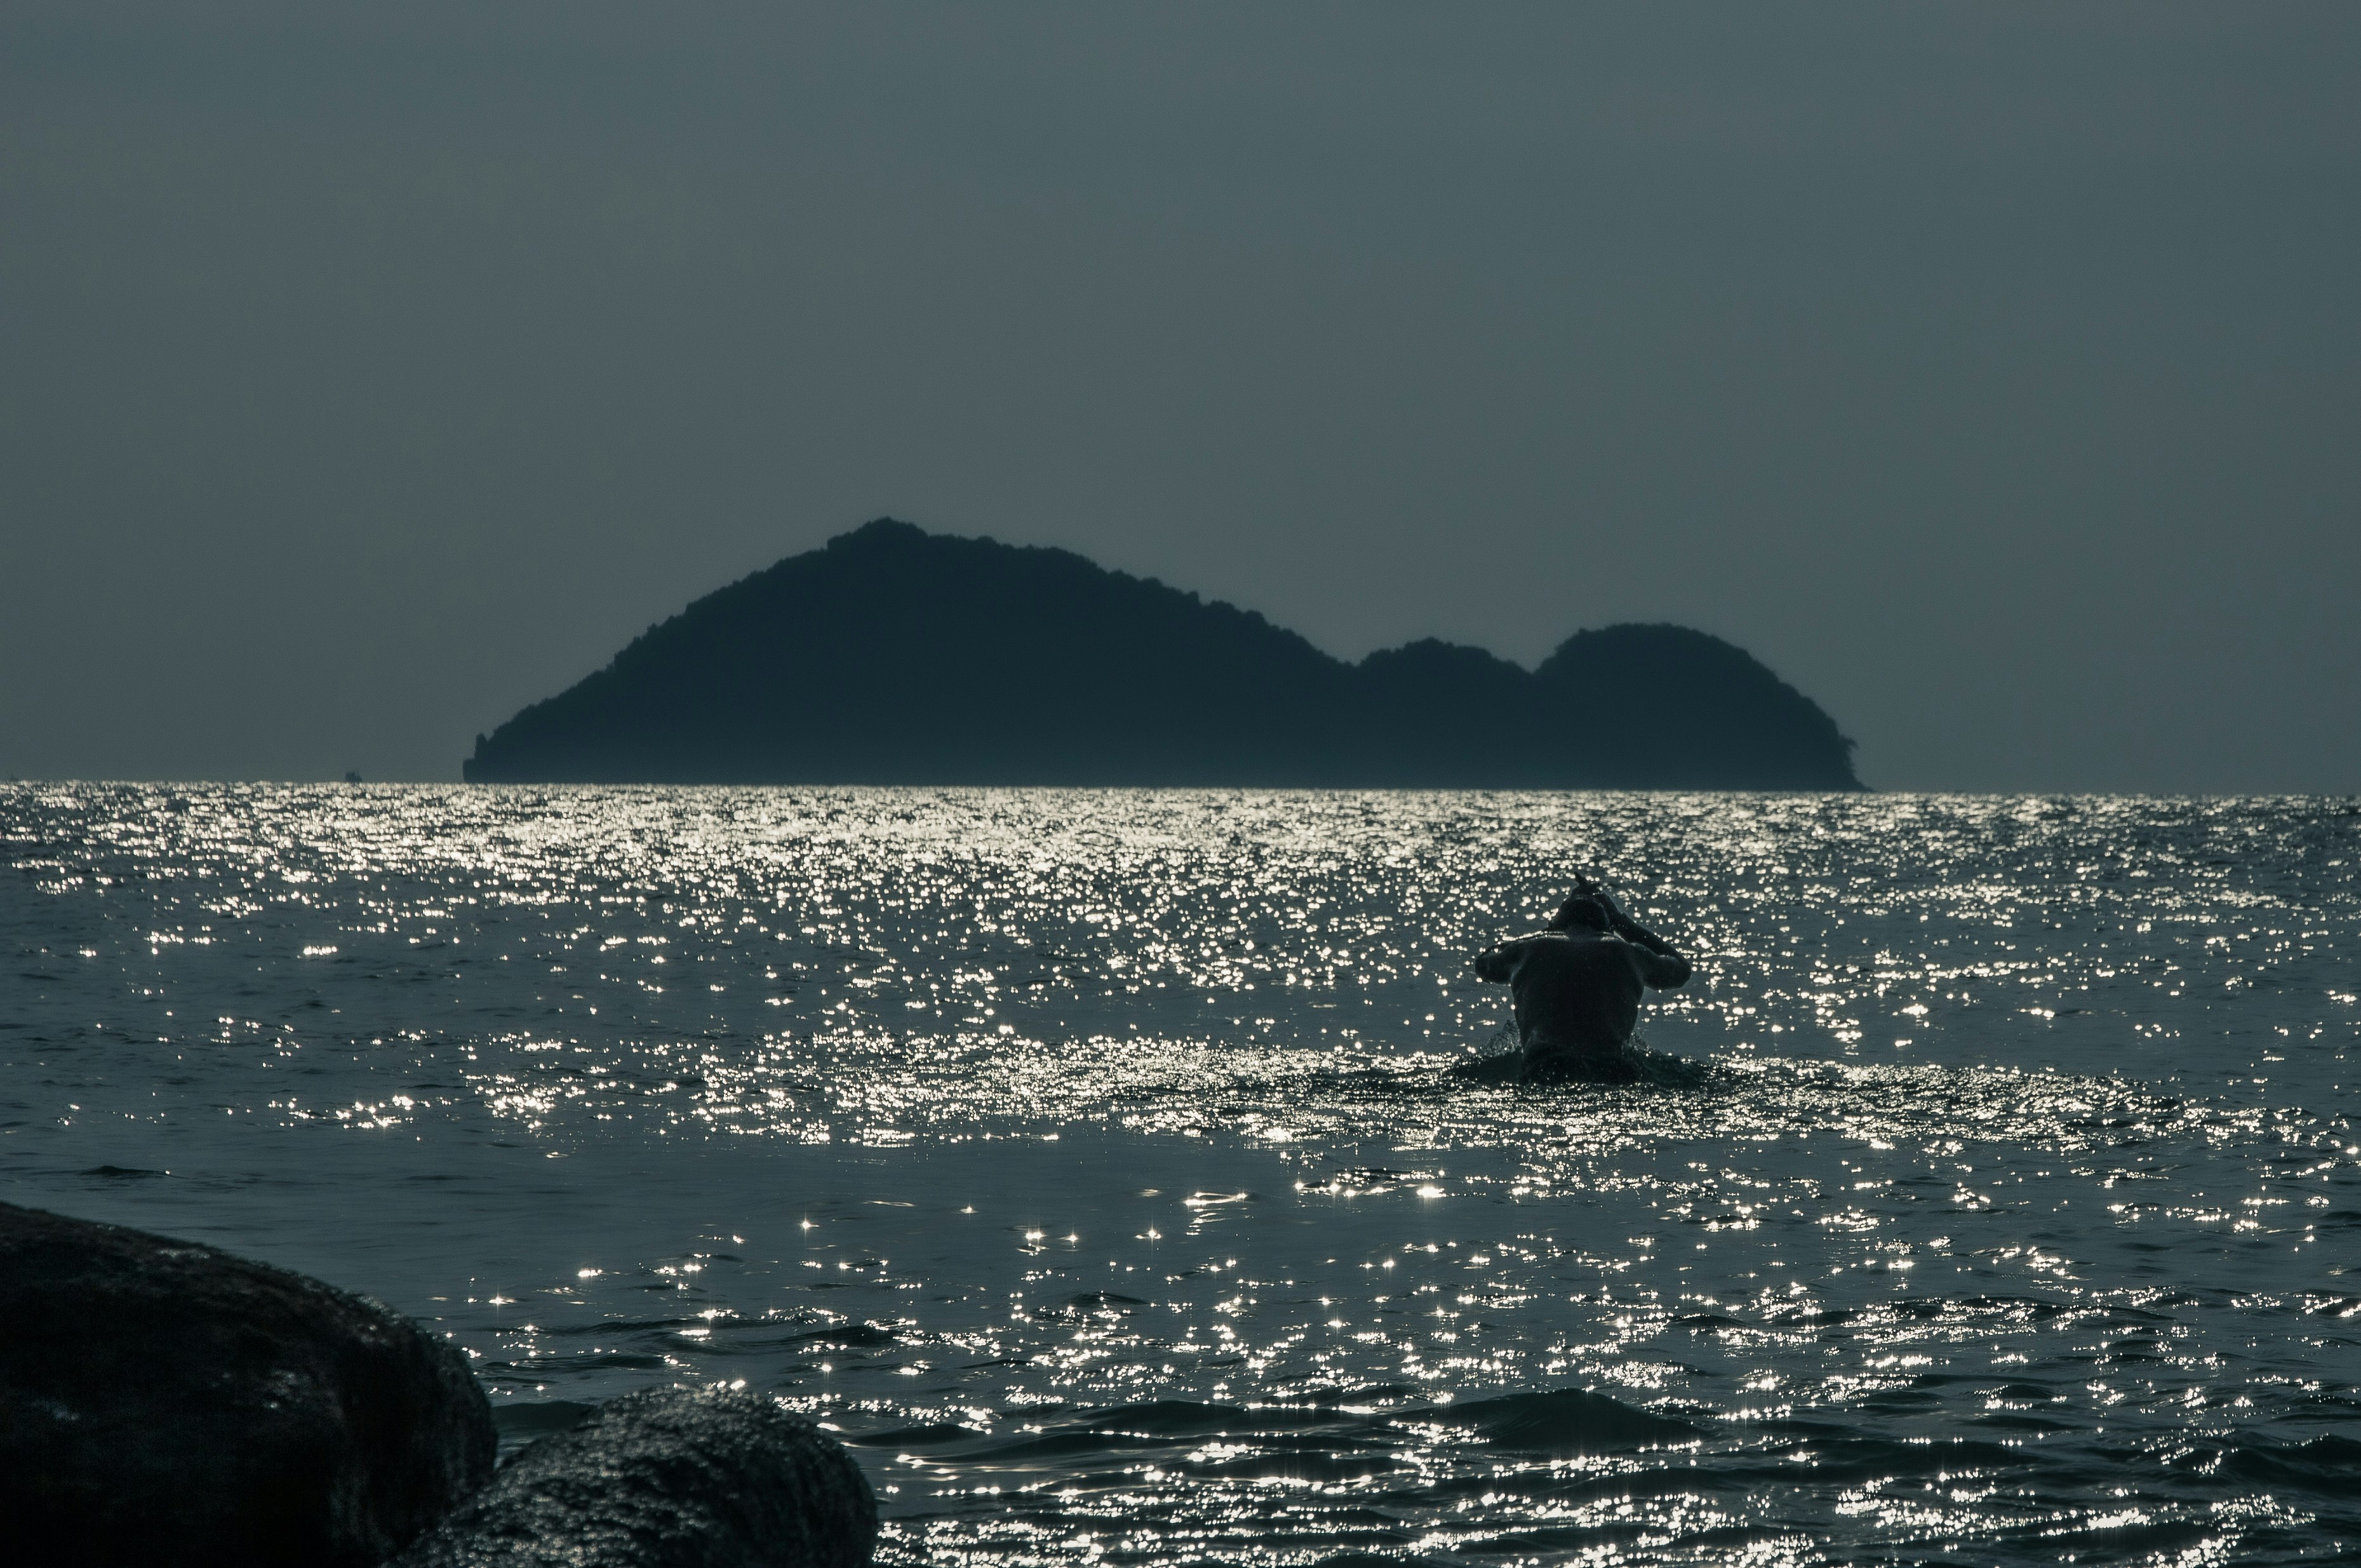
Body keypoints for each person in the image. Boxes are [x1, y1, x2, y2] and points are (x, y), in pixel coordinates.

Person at [1463, 878, 1692, 1083]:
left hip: (1545, 1067)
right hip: (1612, 1069)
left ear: (1555, 926)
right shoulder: (1631, 953)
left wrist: (1544, 934)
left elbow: (1484, 964)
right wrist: (1623, 923)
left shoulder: (1526, 950)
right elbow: (1680, 970)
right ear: (1609, 929)